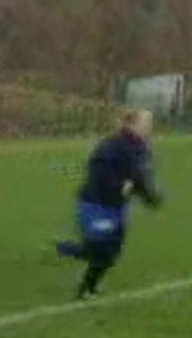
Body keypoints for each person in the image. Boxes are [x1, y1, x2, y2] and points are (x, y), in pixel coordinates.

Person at [54, 108, 163, 301]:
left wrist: (150, 197)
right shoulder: (113, 145)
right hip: (96, 205)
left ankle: (76, 264)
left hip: (116, 208)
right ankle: (83, 286)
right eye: (146, 122)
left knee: (111, 252)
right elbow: (97, 169)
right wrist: (119, 186)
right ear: (132, 124)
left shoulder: (141, 148)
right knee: (99, 250)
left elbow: (138, 177)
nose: (150, 126)